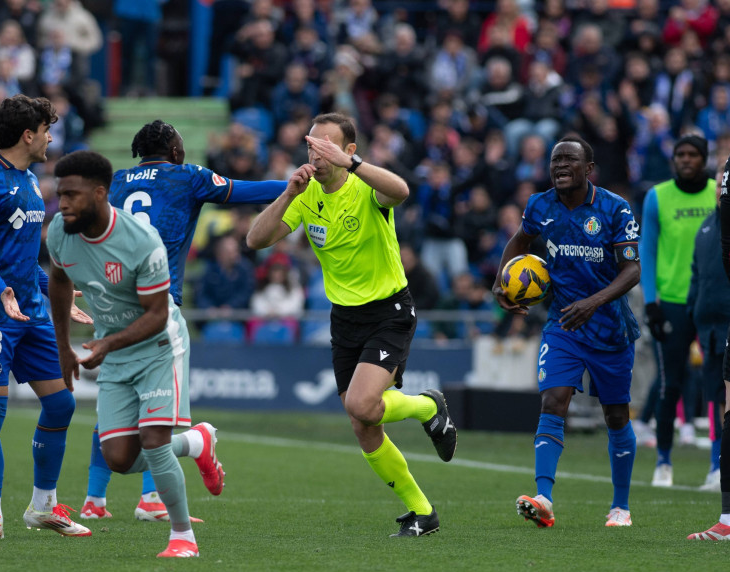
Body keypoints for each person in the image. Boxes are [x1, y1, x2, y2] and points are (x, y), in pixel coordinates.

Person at [246, 112, 458, 537]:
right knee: (363, 425)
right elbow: (255, 239)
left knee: (360, 404)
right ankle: (422, 511)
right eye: (311, 146)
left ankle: (428, 407)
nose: (317, 154)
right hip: (344, 318)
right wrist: (288, 195)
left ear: (349, 151)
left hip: (389, 311)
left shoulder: (366, 186)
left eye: (327, 146)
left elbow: (401, 190)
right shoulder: (306, 197)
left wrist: (355, 168)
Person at [79, 119, 287, 521]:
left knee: (114, 405)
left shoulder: (117, 181)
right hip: (158, 308)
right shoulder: (186, 176)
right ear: (174, 151)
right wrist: (296, 186)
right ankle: (153, 497)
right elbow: (245, 192)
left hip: (114, 304)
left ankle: (94, 500)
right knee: (154, 411)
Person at [47, 150, 222, 558]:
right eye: (60, 194)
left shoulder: (142, 242)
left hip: (160, 344)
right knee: (120, 458)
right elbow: (57, 280)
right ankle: (197, 443)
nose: (63, 203)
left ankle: (183, 539)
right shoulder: (59, 231)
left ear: (100, 193)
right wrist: (63, 348)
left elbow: (158, 316)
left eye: (72, 194)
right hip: (114, 347)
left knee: (155, 440)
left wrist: (106, 344)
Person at [0, 94, 92, 540]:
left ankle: (43, 507)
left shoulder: (33, 181)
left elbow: (23, 258)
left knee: (61, 403)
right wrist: (4, 293)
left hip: (31, 312)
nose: (51, 137)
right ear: (27, 134)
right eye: (46, 129)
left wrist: (58, 293)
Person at [492, 135, 641, 528]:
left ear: (588, 169)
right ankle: (543, 497)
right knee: (554, 401)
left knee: (615, 417)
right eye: (556, 160)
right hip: (563, 325)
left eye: (569, 161)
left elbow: (632, 270)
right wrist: (500, 279)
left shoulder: (614, 208)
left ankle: (621, 506)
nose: (559, 166)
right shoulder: (540, 206)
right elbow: (520, 241)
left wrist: (594, 302)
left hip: (610, 330)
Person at [640, 134, 715, 487]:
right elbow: (648, 250)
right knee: (670, 384)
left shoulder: (719, 193)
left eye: (693, 154)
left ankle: (717, 465)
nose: (686, 159)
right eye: (680, 154)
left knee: (718, 386)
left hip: (711, 300)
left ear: (704, 158)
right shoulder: (657, 197)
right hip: (670, 302)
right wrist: (651, 302)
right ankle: (664, 462)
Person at [688, 151, 730, 540]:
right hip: (710, 328)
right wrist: (692, 314)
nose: (721, 188)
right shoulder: (705, 229)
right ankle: (718, 465)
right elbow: (697, 278)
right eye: (718, 183)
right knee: (717, 400)